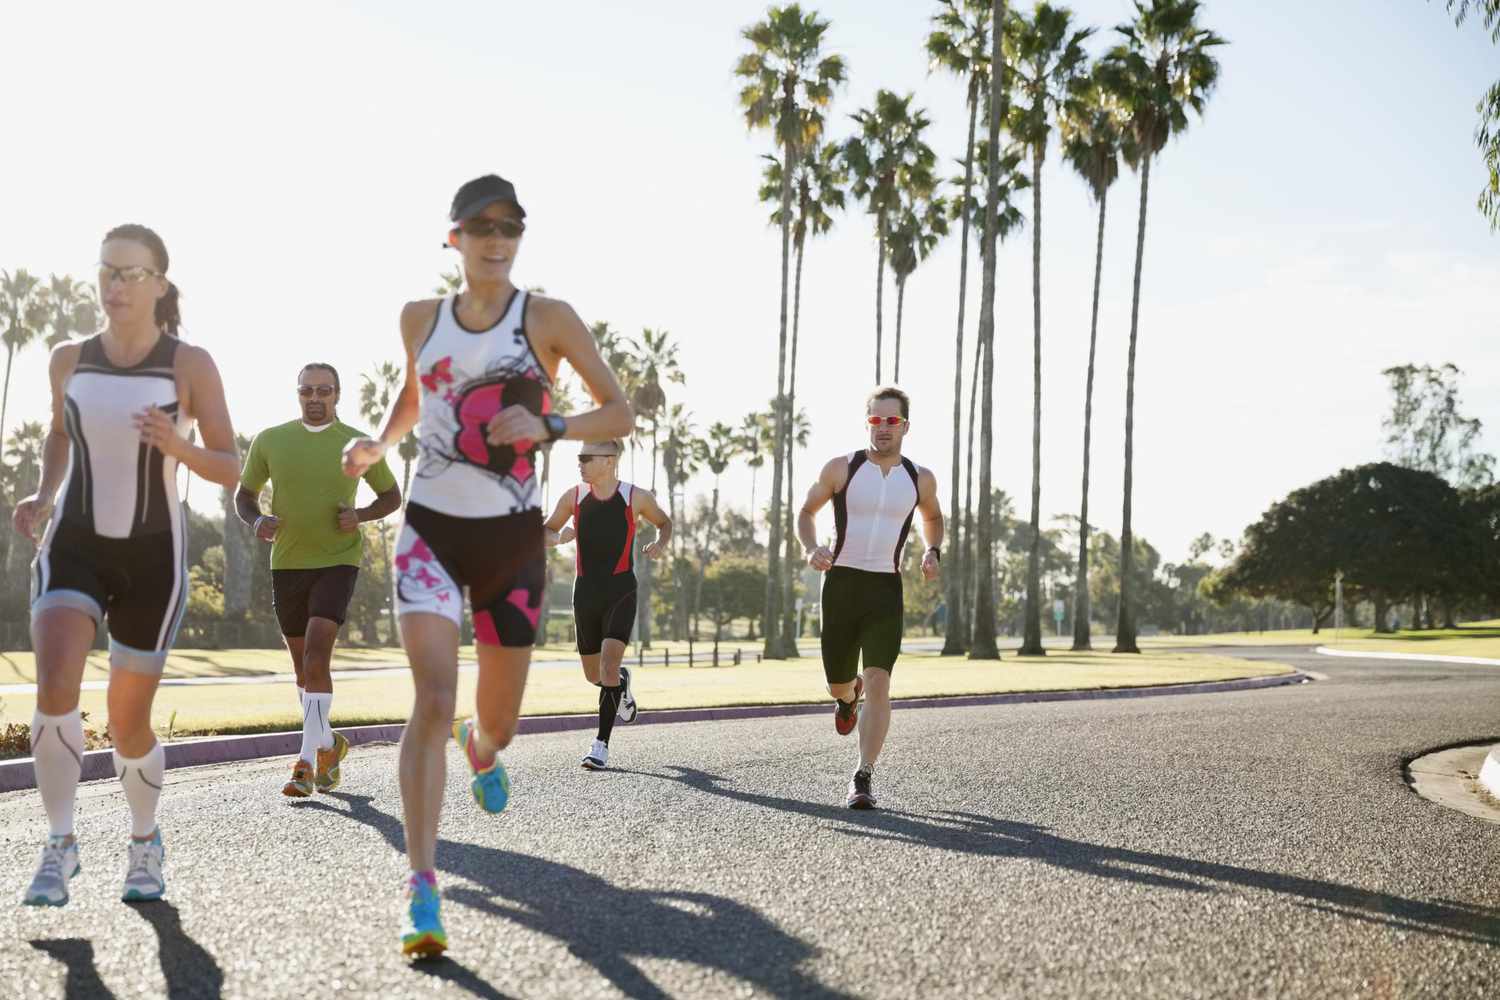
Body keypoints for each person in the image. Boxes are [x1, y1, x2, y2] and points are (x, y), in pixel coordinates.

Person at [342, 174, 631, 958]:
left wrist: (549, 421)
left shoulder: (547, 318)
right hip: (430, 530)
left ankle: (482, 745)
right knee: (431, 697)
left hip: (512, 539)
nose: (497, 238)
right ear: (454, 238)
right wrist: (380, 443)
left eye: (511, 225)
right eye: (481, 225)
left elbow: (620, 411)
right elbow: (414, 396)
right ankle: (422, 890)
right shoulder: (418, 318)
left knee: (494, 724)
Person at [19, 224, 239, 906]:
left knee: (128, 718)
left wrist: (179, 442)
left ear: (160, 285)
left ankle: (145, 841)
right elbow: (60, 434)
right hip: (75, 543)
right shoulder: (68, 359)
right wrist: (44, 493)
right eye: (107, 271)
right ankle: (60, 844)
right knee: (55, 679)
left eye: (132, 273)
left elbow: (230, 467)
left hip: (154, 556)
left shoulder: (189, 364)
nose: (116, 285)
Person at [236, 362, 401, 799]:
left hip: (338, 561)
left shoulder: (356, 444)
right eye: (306, 391)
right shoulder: (270, 440)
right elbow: (244, 496)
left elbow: (392, 495)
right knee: (300, 667)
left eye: (323, 391)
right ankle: (328, 744)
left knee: (315, 658)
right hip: (287, 563)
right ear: (298, 394)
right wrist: (256, 523)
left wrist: (360, 515)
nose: (314, 398)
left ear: (337, 395)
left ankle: (305, 763)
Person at [797, 387, 942, 810]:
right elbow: (807, 512)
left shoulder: (919, 478)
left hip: (885, 588)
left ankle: (862, 776)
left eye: (891, 421)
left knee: (881, 680)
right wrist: (810, 548)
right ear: (868, 424)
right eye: (875, 421)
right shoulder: (842, 469)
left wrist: (933, 550)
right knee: (838, 683)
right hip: (841, 585)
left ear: (905, 426)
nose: (883, 428)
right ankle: (847, 696)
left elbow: (933, 517)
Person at [543, 439, 671, 770]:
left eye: (587, 458)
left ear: (609, 461)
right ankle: (621, 686)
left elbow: (664, 522)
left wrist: (660, 542)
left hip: (621, 590)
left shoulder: (634, 496)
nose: (580, 463)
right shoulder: (573, 495)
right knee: (594, 675)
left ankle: (600, 745)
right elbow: (546, 530)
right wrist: (559, 539)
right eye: (578, 457)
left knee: (608, 666)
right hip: (584, 592)